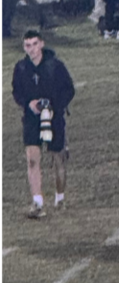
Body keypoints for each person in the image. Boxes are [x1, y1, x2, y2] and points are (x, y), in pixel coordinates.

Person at [11, 30, 74, 220]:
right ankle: (37, 202)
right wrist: (27, 103)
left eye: (34, 44)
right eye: (28, 45)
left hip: (54, 118)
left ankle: (60, 196)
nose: (31, 49)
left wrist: (55, 107)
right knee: (32, 159)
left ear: (42, 44)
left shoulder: (55, 66)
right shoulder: (21, 68)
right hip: (31, 118)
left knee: (57, 159)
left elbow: (69, 90)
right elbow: (17, 92)